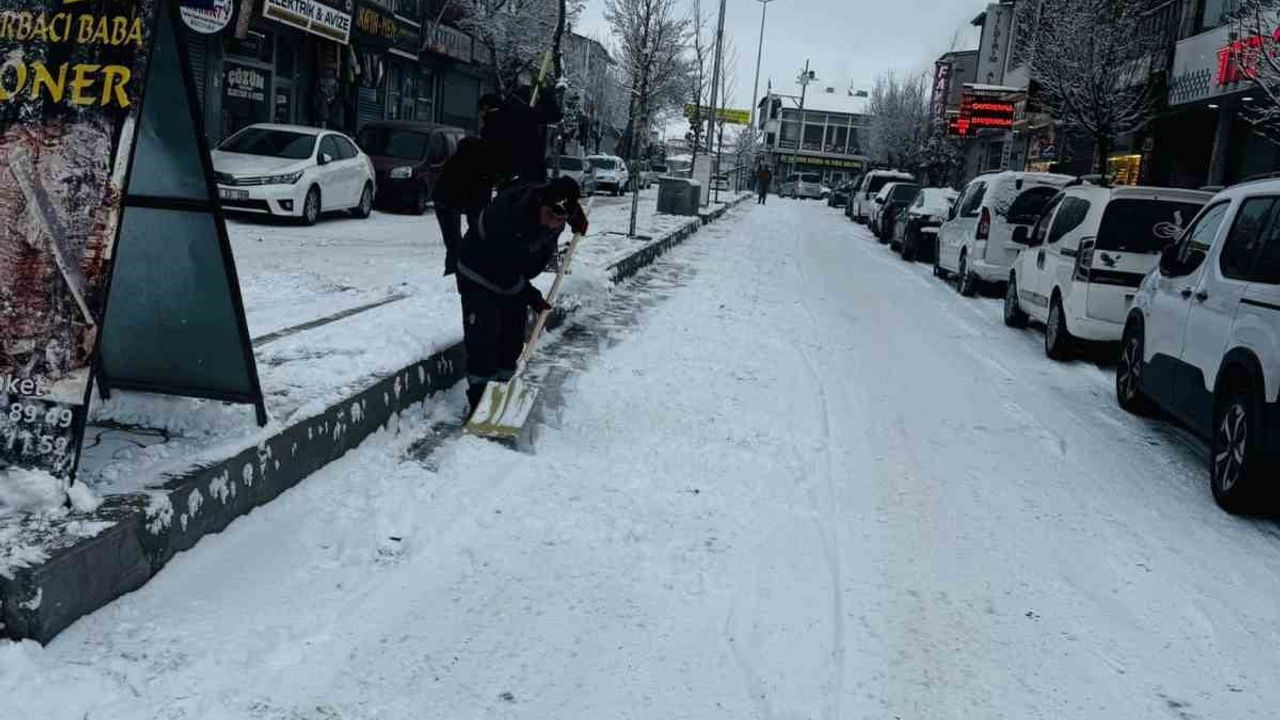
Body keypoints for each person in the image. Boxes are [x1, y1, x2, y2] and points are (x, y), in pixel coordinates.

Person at [454, 176, 588, 411]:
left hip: (512, 275)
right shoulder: (508, 217)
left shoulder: (559, 207)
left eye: (560, 220)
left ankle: (501, 395)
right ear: (540, 203)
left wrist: (578, 221)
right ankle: (479, 403)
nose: (553, 225)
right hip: (479, 272)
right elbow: (503, 271)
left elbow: (571, 209)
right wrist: (532, 296)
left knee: (512, 338)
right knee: (484, 338)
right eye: (550, 216)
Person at [433, 136, 493, 276]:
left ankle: (455, 271)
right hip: (449, 202)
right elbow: (478, 201)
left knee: (454, 243)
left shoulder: (457, 161)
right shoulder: (477, 168)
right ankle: (458, 272)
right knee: (460, 243)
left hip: (444, 202)